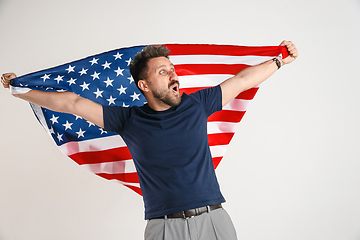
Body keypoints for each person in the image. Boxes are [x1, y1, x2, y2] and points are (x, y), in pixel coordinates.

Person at [2, 40, 298, 240]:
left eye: (172, 70)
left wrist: (279, 60)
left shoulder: (197, 104)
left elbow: (243, 80)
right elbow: (72, 103)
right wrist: (19, 90)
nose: (174, 75)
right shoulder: (128, 120)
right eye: (163, 71)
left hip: (214, 222)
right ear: (144, 85)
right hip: (163, 228)